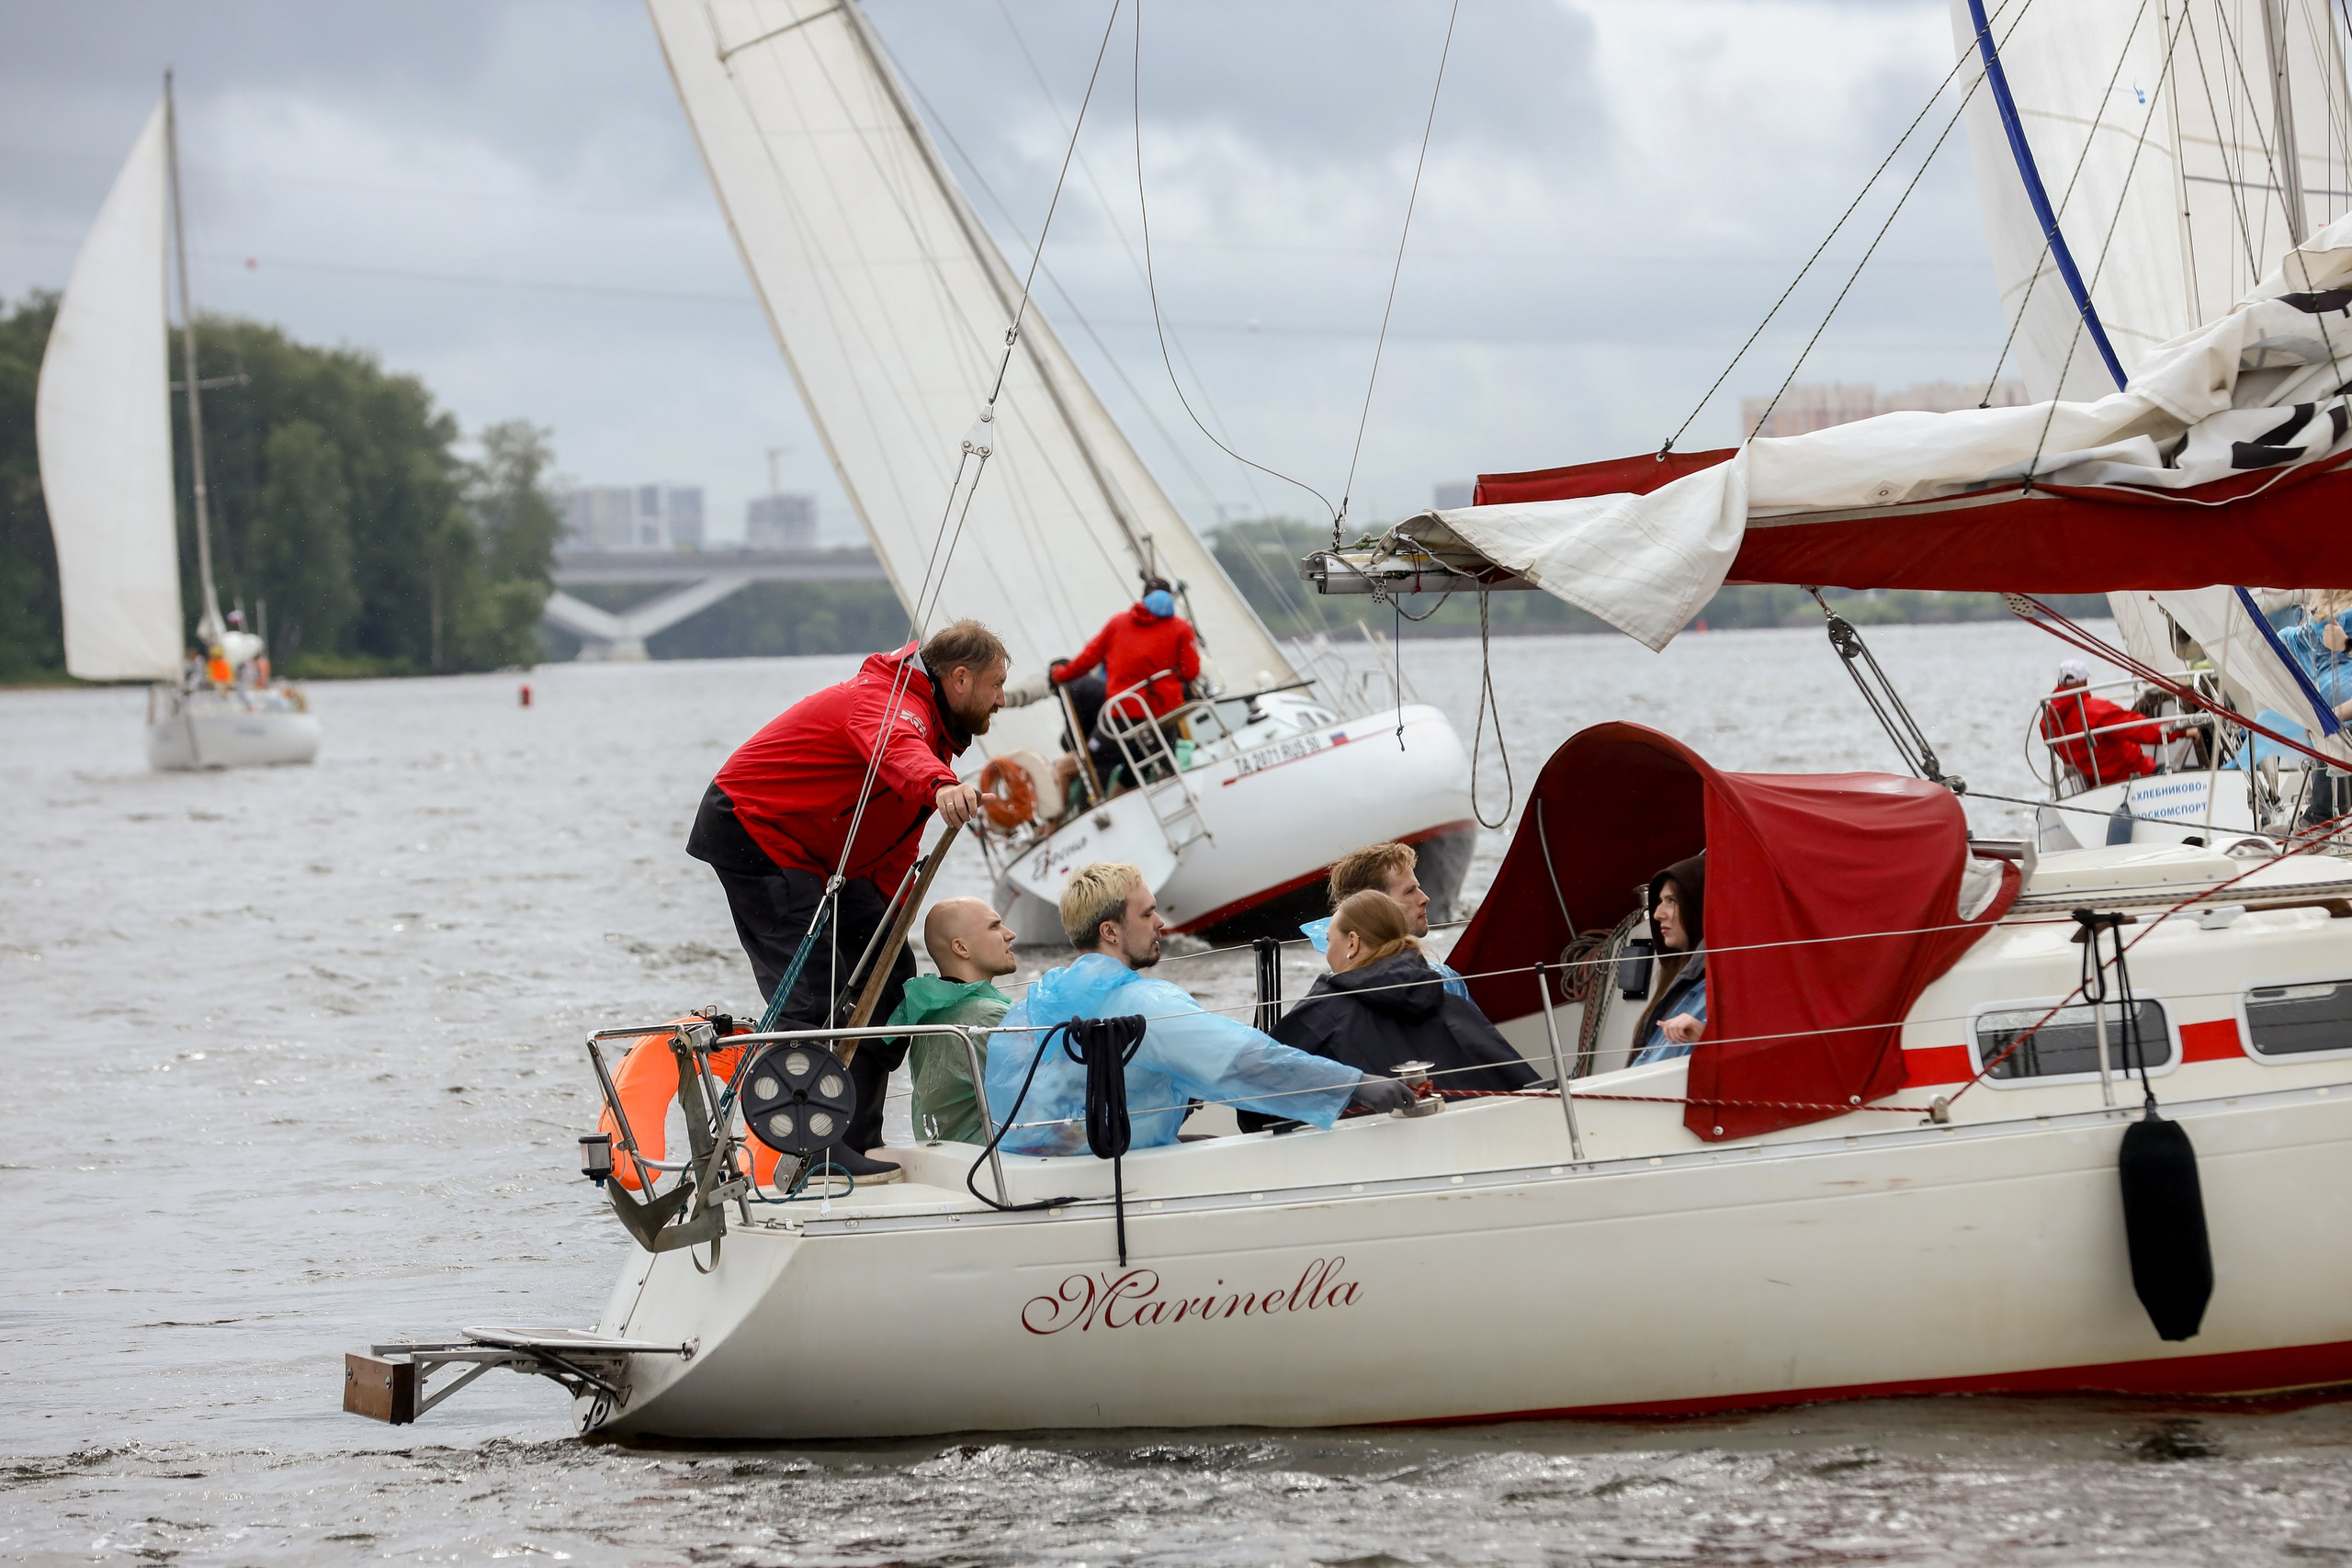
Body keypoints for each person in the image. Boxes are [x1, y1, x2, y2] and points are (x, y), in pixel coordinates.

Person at [686, 620, 1009, 1179]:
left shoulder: (931, 730)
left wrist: (890, 921)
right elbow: (897, 749)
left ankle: (858, 1139)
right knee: (814, 994)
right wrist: (940, 784)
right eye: (996, 684)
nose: (1001, 699)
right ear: (960, 679)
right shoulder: (890, 705)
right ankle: (814, 1148)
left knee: (890, 978)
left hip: (818, 852)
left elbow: (892, 843)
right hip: (753, 828)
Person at [986, 863, 1412, 1156]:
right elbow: (1246, 1061)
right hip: (1112, 1177)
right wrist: (1353, 1084)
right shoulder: (1143, 1005)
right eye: (1147, 914)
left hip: (1040, 1164)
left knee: (1204, 1138)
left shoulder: (1034, 1003)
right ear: (1110, 932)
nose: (1161, 923)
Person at [1261, 892, 1534, 1123]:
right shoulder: (1448, 1001)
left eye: (1330, 940)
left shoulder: (1321, 1012)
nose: (1328, 952)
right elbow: (1519, 1082)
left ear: (1353, 943)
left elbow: (1261, 1096)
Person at [886, 897, 1018, 1145]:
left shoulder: (930, 1014)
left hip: (941, 1145)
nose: (1010, 934)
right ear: (961, 948)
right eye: (994, 926)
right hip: (992, 1153)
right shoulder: (989, 1016)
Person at [1051, 577, 1200, 790]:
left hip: (1124, 712)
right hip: (1164, 711)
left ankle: (1095, 799)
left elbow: (1088, 659)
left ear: (1143, 598)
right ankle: (1171, 781)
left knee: (1092, 757)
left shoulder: (1118, 623)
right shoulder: (1182, 629)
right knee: (1160, 754)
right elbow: (1191, 672)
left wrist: (1061, 674)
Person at [1302, 842, 1469, 999]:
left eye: (1417, 888)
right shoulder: (1441, 984)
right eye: (1409, 891)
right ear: (1374, 906)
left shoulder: (1323, 1000)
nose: (1425, 899)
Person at [2040, 659, 2171, 787]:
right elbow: (2139, 728)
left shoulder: (2047, 722)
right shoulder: (2094, 711)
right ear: (2085, 682)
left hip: (2094, 786)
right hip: (2132, 776)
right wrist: (2178, 730)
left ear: (2059, 682)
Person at [1630, 853, 1708, 1066]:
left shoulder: (1718, 983)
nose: (1657, 914)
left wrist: (1706, 1038)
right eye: (1660, 901)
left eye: (1672, 901)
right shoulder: (1682, 976)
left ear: (1699, 905)